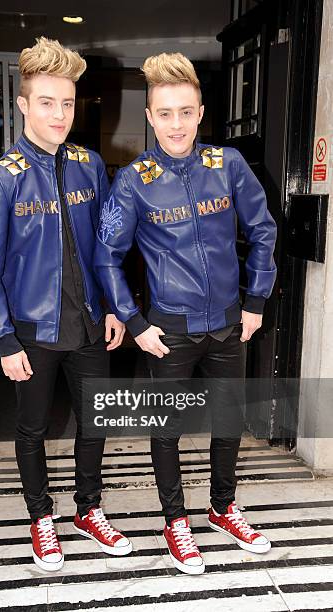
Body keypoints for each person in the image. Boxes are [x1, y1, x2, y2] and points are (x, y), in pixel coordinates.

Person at [94, 52, 277, 574]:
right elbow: (107, 255)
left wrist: (256, 302)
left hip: (227, 323)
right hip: (167, 330)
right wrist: (134, 322)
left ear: (201, 113)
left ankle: (222, 506)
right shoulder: (133, 180)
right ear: (150, 117)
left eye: (186, 111)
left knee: (228, 422)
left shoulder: (229, 165)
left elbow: (263, 230)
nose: (176, 124)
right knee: (166, 430)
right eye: (165, 113)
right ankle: (175, 521)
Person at [0, 37, 132, 573]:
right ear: (23, 103)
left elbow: (106, 248)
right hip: (32, 332)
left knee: (95, 422)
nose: (59, 114)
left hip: (88, 325)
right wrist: (3, 338)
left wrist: (113, 307)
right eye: (46, 102)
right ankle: (40, 516)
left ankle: (89, 508)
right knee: (32, 430)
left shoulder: (89, 165)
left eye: (67, 103)